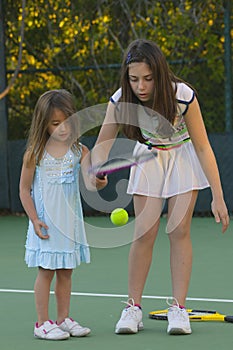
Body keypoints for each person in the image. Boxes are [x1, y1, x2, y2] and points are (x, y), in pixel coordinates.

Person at [91, 39, 229, 335]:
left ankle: (178, 309)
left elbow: (203, 147)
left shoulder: (183, 96)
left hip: (182, 157)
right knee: (144, 232)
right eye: (134, 79)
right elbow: (101, 146)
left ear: (160, 74)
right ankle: (133, 308)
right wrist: (96, 173)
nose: (141, 86)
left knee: (179, 231)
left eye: (148, 79)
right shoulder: (120, 101)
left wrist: (218, 195)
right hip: (148, 157)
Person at [19, 89, 105, 340]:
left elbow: (91, 183)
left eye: (67, 122)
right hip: (45, 224)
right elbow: (24, 190)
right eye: (56, 123)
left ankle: (63, 319)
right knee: (46, 271)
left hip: (69, 224)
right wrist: (34, 219)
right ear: (43, 123)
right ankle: (42, 324)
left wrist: (99, 182)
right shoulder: (34, 153)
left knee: (66, 271)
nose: (63, 128)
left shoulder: (80, 152)